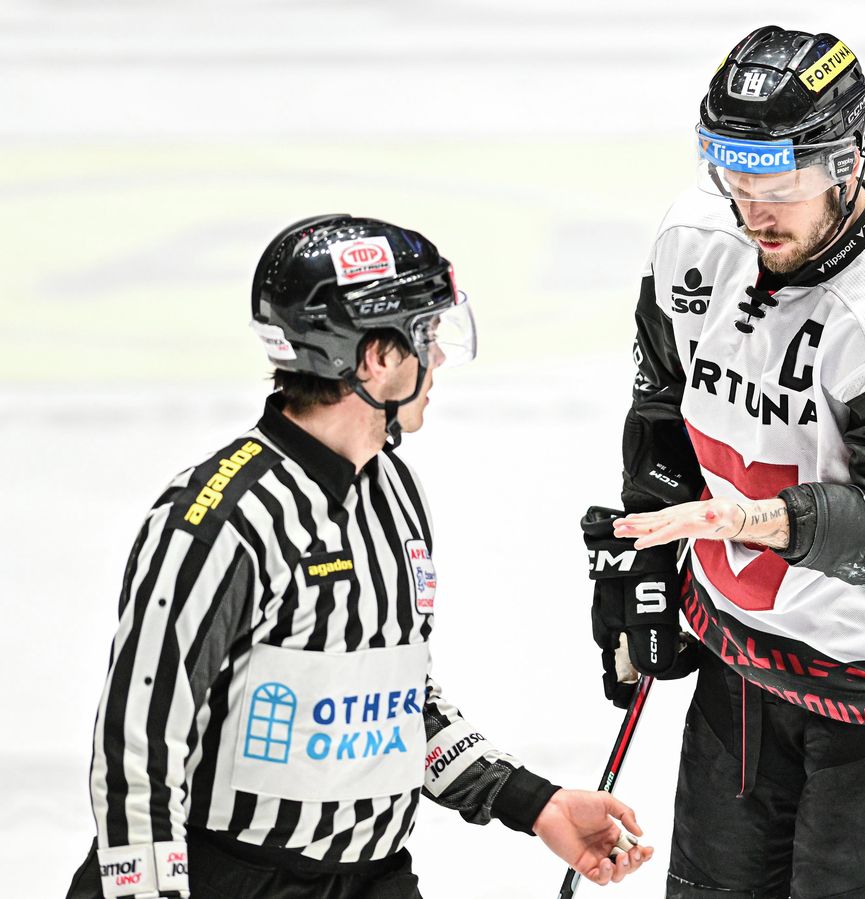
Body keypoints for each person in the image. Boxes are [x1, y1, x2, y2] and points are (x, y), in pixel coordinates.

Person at [67, 215, 652, 899]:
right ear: (375, 358)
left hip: (371, 879)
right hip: (229, 880)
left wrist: (535, 803)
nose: (438, 358)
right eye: (425, 335)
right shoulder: (222, 518)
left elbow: (391, 706)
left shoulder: (394, 490)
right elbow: (138, 747)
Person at [582, 26, 865, 898]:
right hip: (743, 659)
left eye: (779, 182)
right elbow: (663, 402)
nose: (752, 209)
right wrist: (645, 563)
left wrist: (749, 520)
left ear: (845, 163)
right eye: (732, 174)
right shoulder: (696, 238)